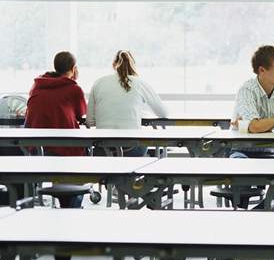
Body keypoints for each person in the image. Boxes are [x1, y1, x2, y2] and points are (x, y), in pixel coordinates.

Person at [230, 44, 274, 210]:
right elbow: (254, 127)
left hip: (269, 152)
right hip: (241, 151)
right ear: (262, 70)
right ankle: (243, 217)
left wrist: (262, 123)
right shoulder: (247, 90)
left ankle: (257, 216)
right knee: (241, 175)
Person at [25, 51, 87, 207]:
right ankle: (71, 205)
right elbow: (82, 115)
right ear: (74, 68)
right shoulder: (74, 89)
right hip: (64, 148)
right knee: (86, 158)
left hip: (36, 148)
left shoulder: (37, 85)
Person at [86, 50, 168, 156]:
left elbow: (89, 122)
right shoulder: (140, 83)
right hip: (132, 148)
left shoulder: (99, 82)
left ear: (113, 65)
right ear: (133, 65)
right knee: (148, 143)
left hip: (103, 149)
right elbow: (163, 113)